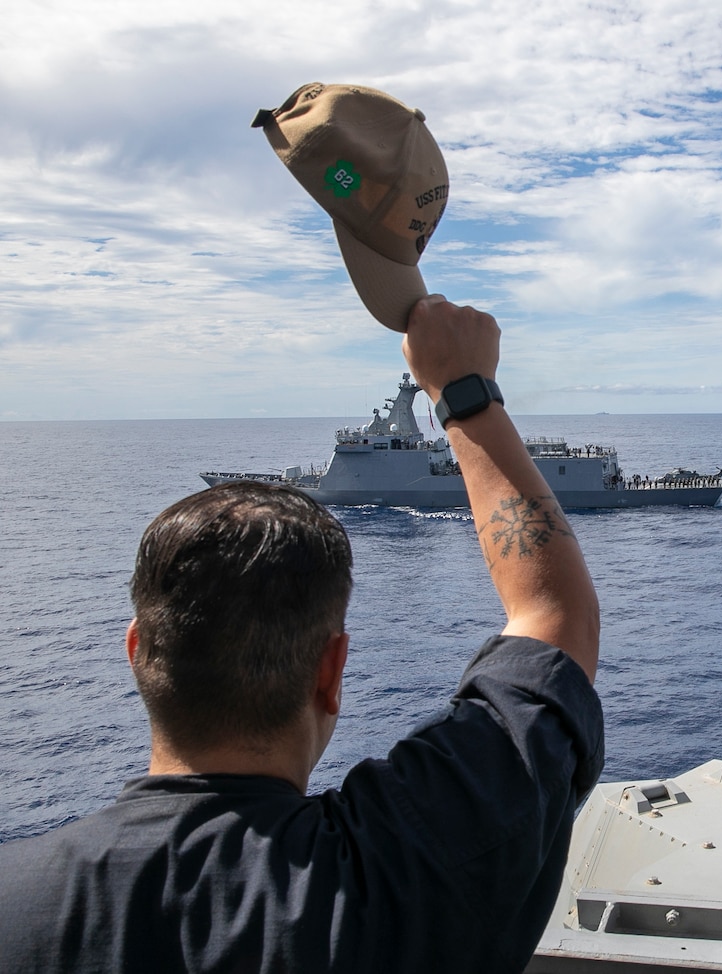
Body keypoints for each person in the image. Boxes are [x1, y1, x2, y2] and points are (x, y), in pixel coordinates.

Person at [0, 297, 604, 972]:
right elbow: (554, 620)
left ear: (137, 651)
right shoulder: (407, 875)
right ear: (331, 668)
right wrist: (464, 391)